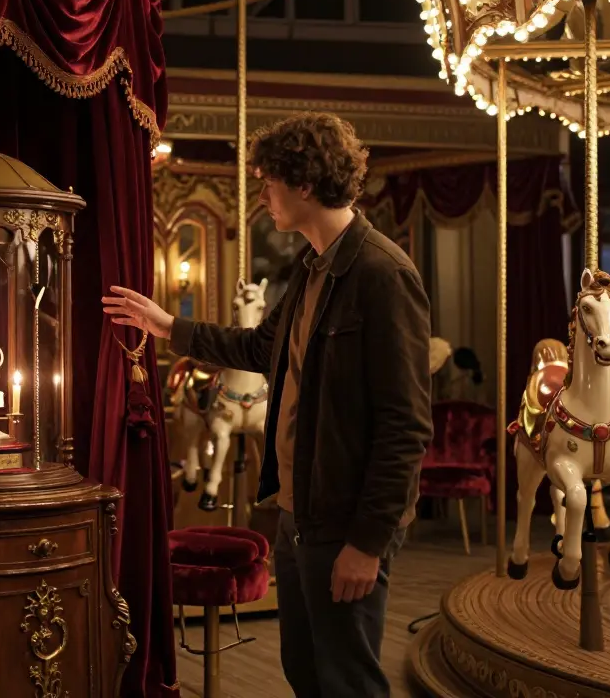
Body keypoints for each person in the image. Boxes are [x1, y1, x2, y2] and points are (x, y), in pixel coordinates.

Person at [104, 111, 433, 696]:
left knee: (347, 681)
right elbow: (259, 346)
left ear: (304, 184)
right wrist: (167, 327)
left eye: (267, 181)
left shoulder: (382, 274)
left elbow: (405, 426)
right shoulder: (310, 268)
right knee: (307, 672)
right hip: (298, 511)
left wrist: (367, 542)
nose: (262, 195)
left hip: (345, 520)